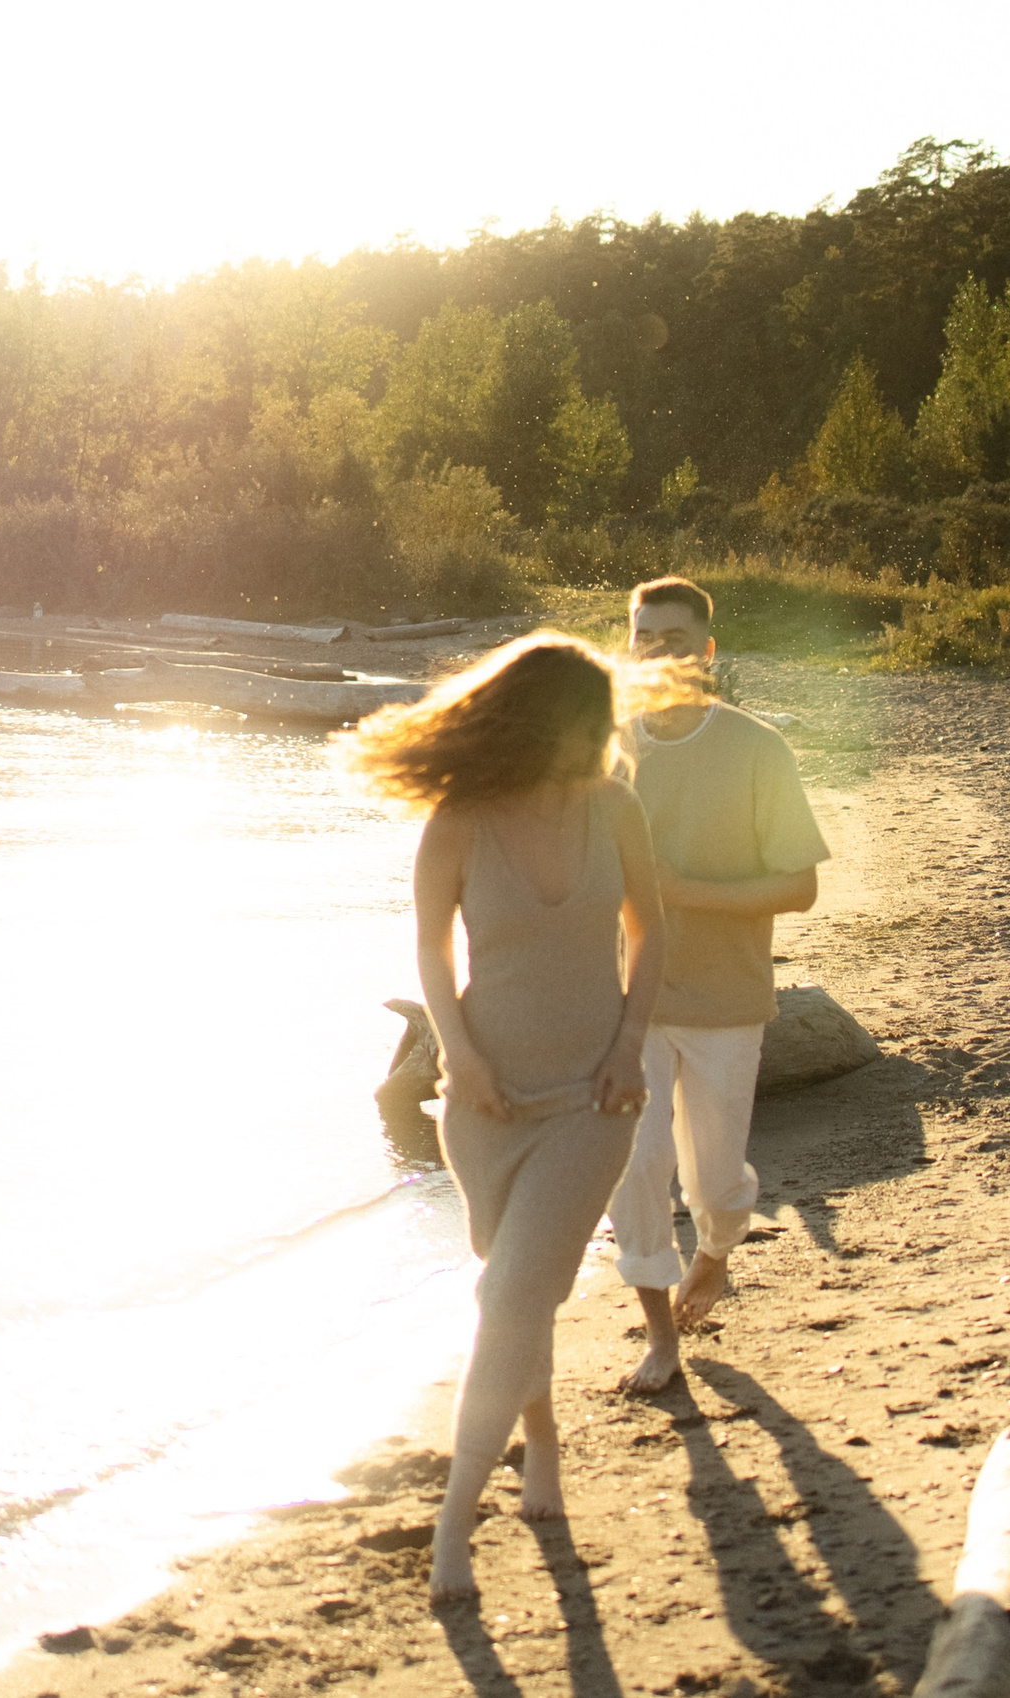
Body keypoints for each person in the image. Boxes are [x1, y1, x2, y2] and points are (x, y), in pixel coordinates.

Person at [341, 634, 668, 1606]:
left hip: (592, 1100)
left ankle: (453, 1527)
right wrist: (461, 1055)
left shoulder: (615, 807)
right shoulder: (460, 817)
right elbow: (432, 952)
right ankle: (546, 1447)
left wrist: (629, 1042)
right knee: (512, 1293)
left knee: (510, 1297)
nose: (604, 736)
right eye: (588, 718)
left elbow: (653, 931)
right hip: (483, 1106)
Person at [608, 577, 830, 1395]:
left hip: (727, 1000)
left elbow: (799, 886)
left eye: (674, 639)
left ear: (706, 651)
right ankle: (660, 1334)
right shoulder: (605, 747)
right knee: (632, 1166)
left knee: (715, 1181)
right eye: (643, 638)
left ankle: (716, 1250)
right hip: (625, 1002)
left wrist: (681, 890)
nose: (657, 651)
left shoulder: (757, 748)